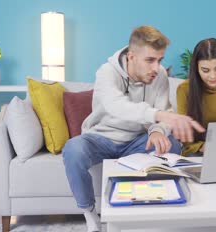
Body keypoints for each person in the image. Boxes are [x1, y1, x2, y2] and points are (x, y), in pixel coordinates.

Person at [63, 25, 204, 232]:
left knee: (171, 145)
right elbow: (117, 106)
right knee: (73, 149)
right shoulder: (106, 72)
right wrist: (159, 115)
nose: (156, 68)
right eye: (150, 60)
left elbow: (163, 110)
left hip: (136, 140)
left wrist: (157, 130)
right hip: (100, 138)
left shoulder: (160, 76)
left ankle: (152, 208)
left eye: (160, 60)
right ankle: (90, 213)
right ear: (131, 56)